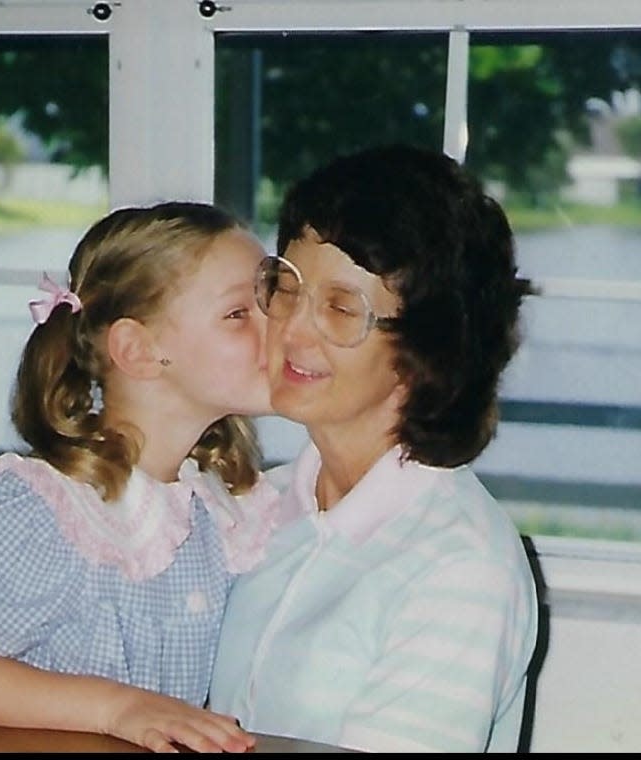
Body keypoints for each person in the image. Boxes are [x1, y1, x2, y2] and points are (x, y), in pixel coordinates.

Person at [0, 201, 279, 753]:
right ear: (138, 350)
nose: (277, 331)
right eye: (238, 314)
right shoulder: (53, 510)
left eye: (270, 304)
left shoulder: (220, 506)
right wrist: (118, 708)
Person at [208, 144, 540, 753]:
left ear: (427, 351)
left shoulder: (459, 567)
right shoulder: (257, 505)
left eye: (340, 308)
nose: (292, 329)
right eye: (286, 287)